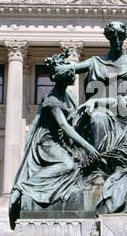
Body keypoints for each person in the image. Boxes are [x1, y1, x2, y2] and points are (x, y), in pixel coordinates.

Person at [8, 55, 103, 227]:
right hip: (47, 142)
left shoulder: (69, 96)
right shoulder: (52, 100)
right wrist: (88, 146)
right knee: (67, 164)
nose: (75, 75)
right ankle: (23, 188)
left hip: (62, 141)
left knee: (80, 167)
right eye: (71, 72)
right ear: (65, 76)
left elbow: (73, 121)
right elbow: (65, 127)